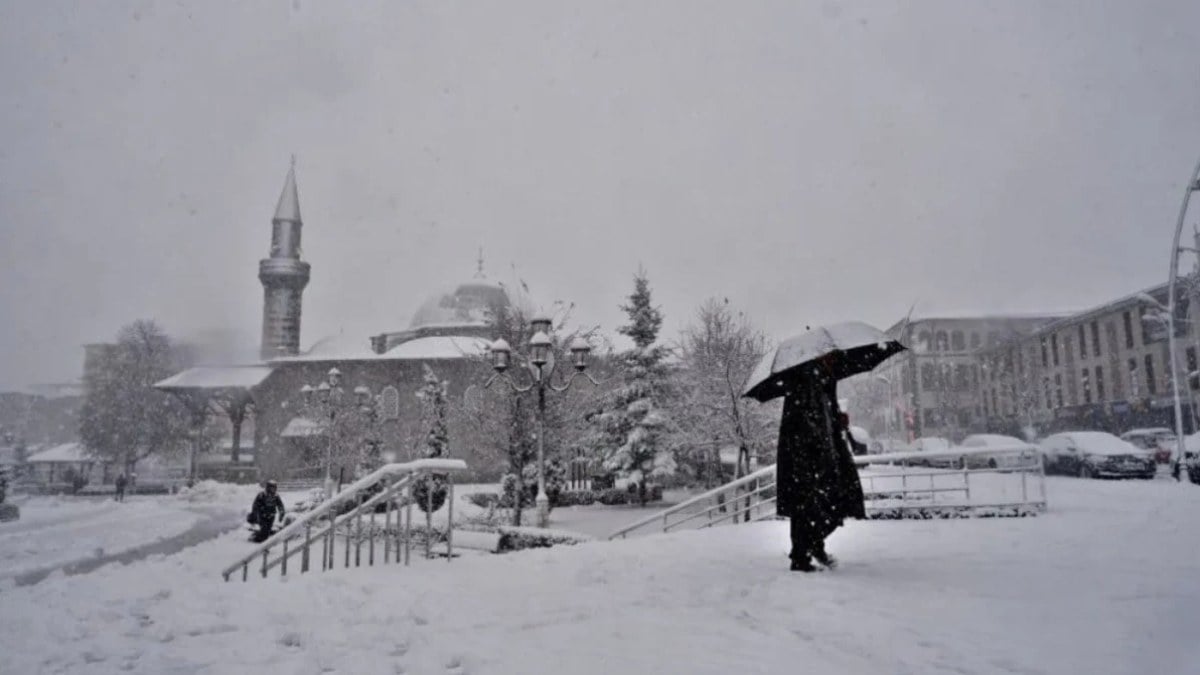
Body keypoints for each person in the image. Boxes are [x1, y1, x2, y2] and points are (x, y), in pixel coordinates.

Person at [775, 357, 866, 572]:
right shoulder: (804, 379)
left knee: (832, 500)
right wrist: (819, 444)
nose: (836, 359)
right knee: (808, 504)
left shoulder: (825, 379)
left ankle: (812, 546)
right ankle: (801, 556)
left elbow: (824, 415)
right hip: (807, 455)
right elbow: (804, 419)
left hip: (823, 452)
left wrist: (837, 419)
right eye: (833, 355)